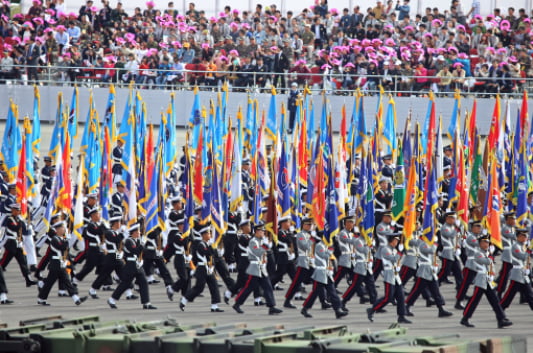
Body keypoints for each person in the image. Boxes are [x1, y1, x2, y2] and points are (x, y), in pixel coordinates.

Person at [460, 233, 512, 328]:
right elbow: (486, 261)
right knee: (474, 300)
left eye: (487, 243)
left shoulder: (485, 253)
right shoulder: (478, 253)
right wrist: (491, 255)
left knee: (494, 300)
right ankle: (465, 317)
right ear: (479, 244)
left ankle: (501, 319)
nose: (486, 244)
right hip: (481, 280)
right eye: (484, 242)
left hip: (487, 280)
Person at [232, 221, 283, 315]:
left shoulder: (260, 241)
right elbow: (257, 252)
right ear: (257, 232)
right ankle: (237, 303)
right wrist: (265, 246)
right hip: (254, 268)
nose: (263, 233)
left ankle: (272, 307)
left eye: (264, 231)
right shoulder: (253, 241)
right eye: (262, 231)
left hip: (261, 268)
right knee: (248, 288)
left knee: (268, 287)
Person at [37, 220, 88, 306]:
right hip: (55, 264)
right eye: (62, 228)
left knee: (66, 282)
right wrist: (67, 240)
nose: (64, 230)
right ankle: (41, 298)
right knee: (50, 283)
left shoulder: (62, 239)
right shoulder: (54, 239)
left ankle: (76, 299)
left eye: (64, 228)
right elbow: (61, 248)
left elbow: (66, 252)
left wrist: (69, 264)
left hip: (61, 264)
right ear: (57, 230)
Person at [107, 223, 156, 309]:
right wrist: (142, 244)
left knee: (144, 283)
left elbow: (143, 251)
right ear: (133, 232)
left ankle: (146, 303)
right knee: (125, 284)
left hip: (138, 265)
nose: (139, 233)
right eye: (138, 231)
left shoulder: (137, 241)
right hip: (130, 266)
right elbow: (135, 251)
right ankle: (112, 299)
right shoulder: (128, 241)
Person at [301, 230, 348, 319]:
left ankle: (338, 310)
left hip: (326, 273)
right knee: (315, 293)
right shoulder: (319, 246)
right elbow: (325, 256)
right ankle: (305, 308)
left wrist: (334, 246)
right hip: (320, 273)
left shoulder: (326, 246)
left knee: (332, 291)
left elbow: (335, 254)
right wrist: (330, 250)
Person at [367, 232, 411, 324]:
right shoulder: (385, 249)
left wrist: (400, 253)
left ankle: (401, 316)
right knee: (388, 297)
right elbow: (393, 259)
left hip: (395, 276)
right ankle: (372, 309)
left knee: (401, 296)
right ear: (391, 240)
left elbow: (397, 261)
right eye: (396, 240)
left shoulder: (394, 249)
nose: (397, 242)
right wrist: (400, 252)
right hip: (389, 276)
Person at [404, 238, 453, 318]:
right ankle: (407, 306)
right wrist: (436, 244)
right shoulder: (423, 244)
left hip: (430, 271)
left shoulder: (428, 243)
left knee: (435, 291)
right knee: (416, 291)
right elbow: (431, 251)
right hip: (424, 271)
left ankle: (441, 309)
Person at [179, 224, 223, 312]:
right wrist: (213, 247)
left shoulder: (208, 244)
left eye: (210, 233)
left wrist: (213, 265)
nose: (209, 235)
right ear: (203, 235)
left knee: (214, 286)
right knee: (199, 288)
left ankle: (214, 306)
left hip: (209, 268)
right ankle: (184, 300)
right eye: (208, 234)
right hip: (202, 268)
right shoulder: (200, 245)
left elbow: (213, 257)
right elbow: (207, 253)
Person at [0, 203, 37, 287]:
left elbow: (24, 229)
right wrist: (21, 222)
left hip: (17, 244)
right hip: (10, 243)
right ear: (12, 210)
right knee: (4, 261)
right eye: (17, 210)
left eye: (19, 210)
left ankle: (28, 279)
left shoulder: (19, 219)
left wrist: (25, 221)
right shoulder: (9, 219)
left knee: (23, 262)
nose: (19, 212)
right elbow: (14, 227)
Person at [499, 228, 533, 310]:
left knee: (530, 295)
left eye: (526, 236)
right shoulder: (515, 246)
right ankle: (499, 310)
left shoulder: (522, 246)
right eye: (523, 236)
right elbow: (522, 256)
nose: (525, 238)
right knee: (509, 296)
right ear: (518, 237)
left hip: (523, 274)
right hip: (517, 274)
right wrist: (529, 251)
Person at [437, 212, 463, 290]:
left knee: (458, 272)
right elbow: (451, 235)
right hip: (447, 253)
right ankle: (434, 284)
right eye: (453, 218)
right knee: (445, 272)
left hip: (454, 253)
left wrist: (458, 245)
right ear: (447, 219)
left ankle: (461, 290)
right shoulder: (444, 227)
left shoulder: (452, 227)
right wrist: (457, 228)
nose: (454, 220)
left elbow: (456, 238)